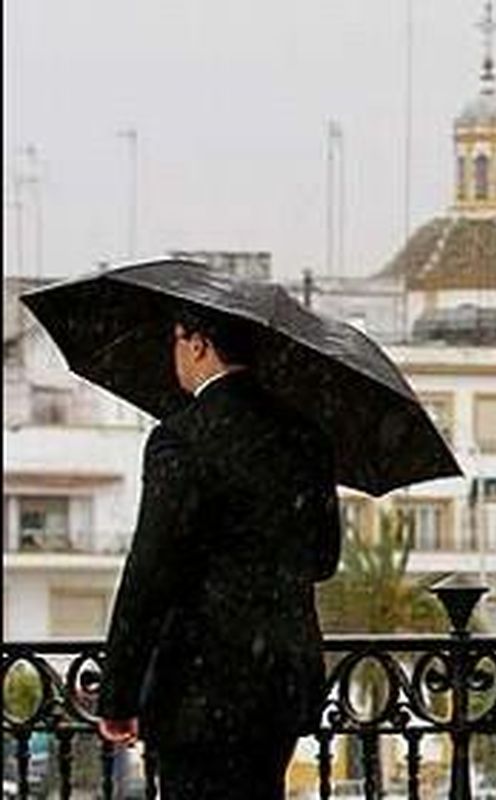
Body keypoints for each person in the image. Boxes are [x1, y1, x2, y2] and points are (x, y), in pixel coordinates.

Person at [97, 302, 340, 798]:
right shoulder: (305, 436)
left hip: (199, 687)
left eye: (176, 342)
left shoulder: (181, 437)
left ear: (198, 343)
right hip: (281, 683)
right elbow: (323, 558)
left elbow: (150, 572)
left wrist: (118, 694)